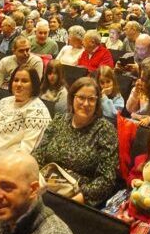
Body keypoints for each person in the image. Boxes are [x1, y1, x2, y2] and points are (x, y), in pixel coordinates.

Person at [32, 77, 119, 207]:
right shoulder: (59, 121)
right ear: (72, 98)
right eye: (81, 98)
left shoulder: (105, 130)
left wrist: (71, 203)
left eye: (91, 99)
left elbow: (106, 180)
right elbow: (38, 155)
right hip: (43, 187)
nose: (86, 103)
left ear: (97, 103)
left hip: (75, 199)